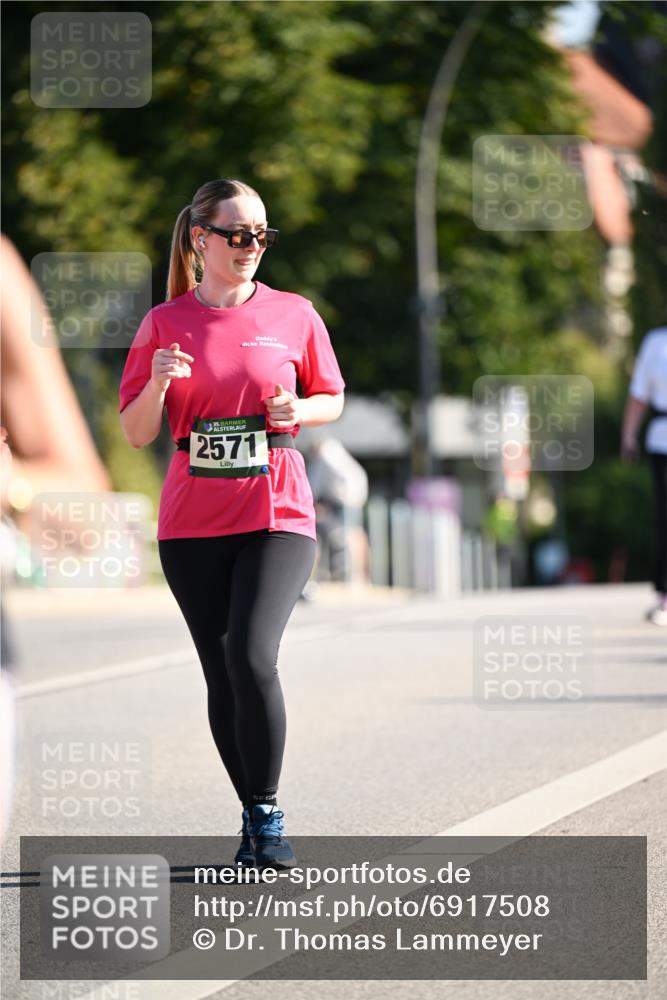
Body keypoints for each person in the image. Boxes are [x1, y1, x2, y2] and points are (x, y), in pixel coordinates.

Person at [119, 179, 345, 868]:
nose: (253, 246)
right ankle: (252, 815)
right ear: (201, 239)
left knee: (251, 655)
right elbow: (136, 432)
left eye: (262, 235)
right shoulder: (164, 322)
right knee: (221, 675)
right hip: (191, 523)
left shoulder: (294, 313)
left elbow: (331, 397)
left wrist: (298, 411)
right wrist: (158, 382)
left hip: (276, 509)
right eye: (239, 234)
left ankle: (269, 813)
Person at [621, 325, 667, 626]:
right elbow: (639, 394)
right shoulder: (656, 342)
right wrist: (629, 436)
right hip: (663, 441)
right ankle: (665, 595)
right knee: (665, 518)